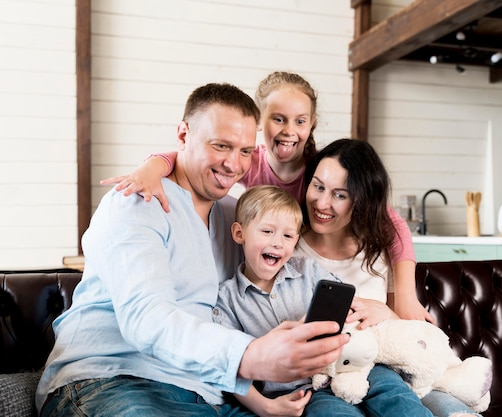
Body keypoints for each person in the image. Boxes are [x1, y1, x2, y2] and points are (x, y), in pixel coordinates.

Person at [35, 83, 350, 417]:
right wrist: (252, 355)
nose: (234, 164)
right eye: (221, 146)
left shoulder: (237, 215)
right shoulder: (136, 203)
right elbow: (147, 319)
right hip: (113, 380)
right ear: (183, 135)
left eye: (245, 151)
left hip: (209, 392)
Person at [100, 70, 433, 323]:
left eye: (300, 121)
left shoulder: (320, 172)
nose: (289, 130)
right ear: (260, 121)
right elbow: (196, 157)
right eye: (278, 119)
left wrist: (404, 294)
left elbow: (390, 222)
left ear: (312, 124)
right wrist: (152, 167)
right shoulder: (248, 161)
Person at [295, 138, 482, 417]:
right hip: (320, 379)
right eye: (318, 186)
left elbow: (407, 332)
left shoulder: (381, 250)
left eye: (340, 194)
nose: (322, 203)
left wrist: (384, 312)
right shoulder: (288, 245)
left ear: (361, 200)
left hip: (384, 371)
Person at [214, 184, 434, 417]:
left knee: (395, 395)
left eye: (288, 235)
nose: (278, 242)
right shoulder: (227, 301)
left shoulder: (308, 271)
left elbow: (348, 306)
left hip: (353, 366)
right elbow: (228, 365)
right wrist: (263, 405)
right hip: (306, 391)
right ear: (239, 233)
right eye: (267, 231)